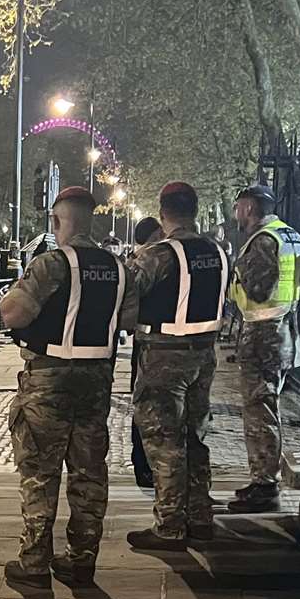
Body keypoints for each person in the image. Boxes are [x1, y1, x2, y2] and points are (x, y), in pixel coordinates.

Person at [0, 186, 136, 590]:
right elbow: (127, 320)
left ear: (58, 221)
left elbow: (12, 313)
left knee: (40, 469)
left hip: (49, 377)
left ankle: (35, 560)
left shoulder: (51, 265)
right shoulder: (118, 268)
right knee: (88, 469)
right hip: (96, 381)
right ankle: (81, 560)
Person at [126, 181, 228, 552]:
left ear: (163, 211)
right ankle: (201, 517)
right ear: (196, 209)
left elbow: (127, 292)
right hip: (205, 352)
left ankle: (169, 525)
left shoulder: (160, 254)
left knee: (164, 441)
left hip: (164, 353)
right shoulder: (218, 251)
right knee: (196, 437)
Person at [225, 184, 300, 514]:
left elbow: (259, 289)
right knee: (268, 405)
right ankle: (263, 480)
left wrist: (239, 264)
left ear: (248, 208)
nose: (235, 214)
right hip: (286, 331)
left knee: (259, 410)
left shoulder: (263, 240)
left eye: (237, 207)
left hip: (264, 335)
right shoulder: (291, 236)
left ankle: (264, 483)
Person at [128, 216, 164, 489]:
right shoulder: (149, 259)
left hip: (148, 342)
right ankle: (145, 467)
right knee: (145, 407)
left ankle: (147, 466)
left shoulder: (144, 259)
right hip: (148, 343)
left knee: (146, 405)